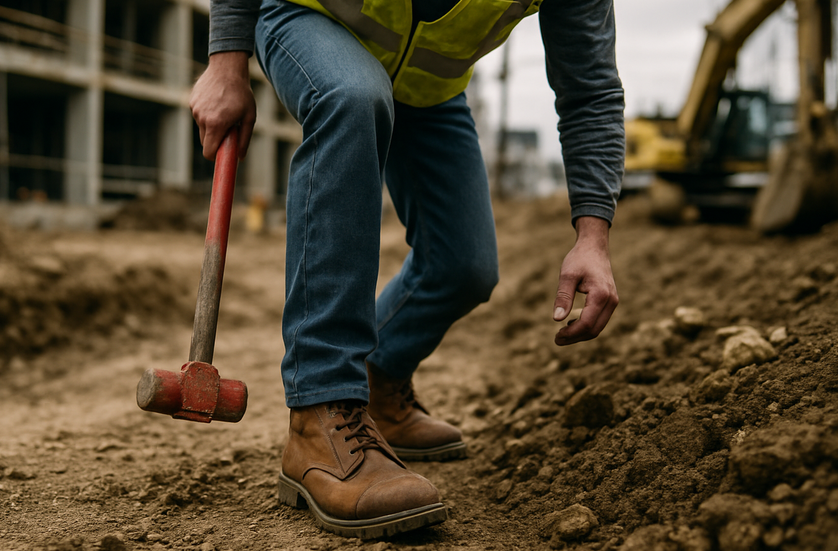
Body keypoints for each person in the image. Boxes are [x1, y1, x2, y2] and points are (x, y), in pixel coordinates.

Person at [190, 0, 623, 539]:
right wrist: (226, 61)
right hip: (309, 20)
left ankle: (379, 378)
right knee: (350, 95)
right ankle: (319, 414)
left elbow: (590, 91)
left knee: (464, 265)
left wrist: (592, 234)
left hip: (426, 88)